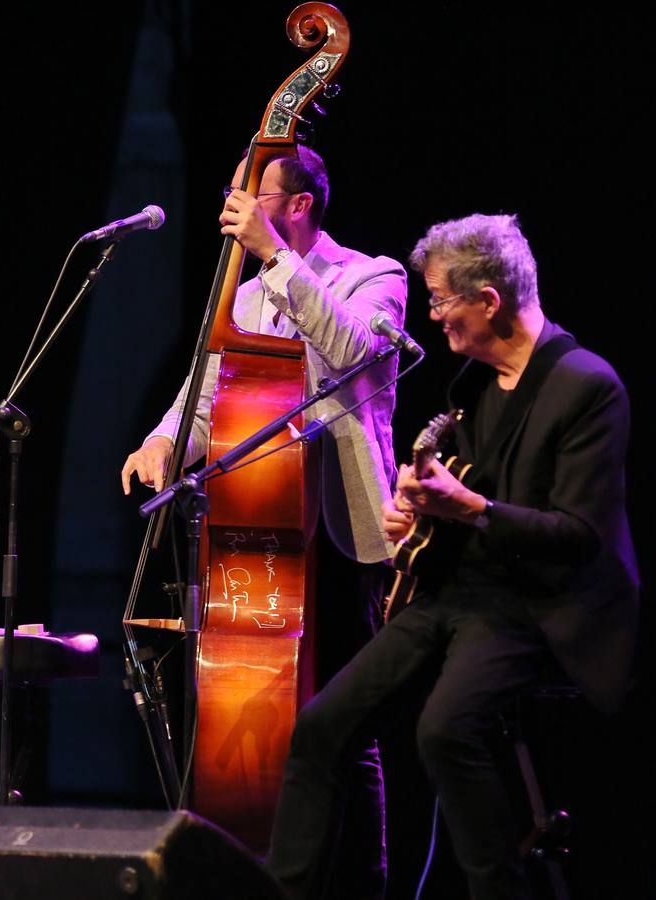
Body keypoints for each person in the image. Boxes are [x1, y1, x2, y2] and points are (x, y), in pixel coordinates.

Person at [266, 214, 638, 899]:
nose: (433, 316)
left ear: (489, 301)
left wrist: (466, 509)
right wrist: (414, 513)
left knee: (445, 730)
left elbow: (579, 535)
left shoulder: (587, 388)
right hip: (452, 596)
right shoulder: (471, 385)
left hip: (536, 607)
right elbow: (456, 497)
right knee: (322, 727)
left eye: (440, 300)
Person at [122, 146, 406, 898]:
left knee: (346, 730)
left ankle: (360, 886)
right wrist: (161, 441)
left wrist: (277, 258)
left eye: (253, 191)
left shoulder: (373, 276)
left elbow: (351, 353)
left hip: (342, 538)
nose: (234, 204)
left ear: (300, 203)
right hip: (262, 532)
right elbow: (208, 386)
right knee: (262, 723)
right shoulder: (246, 297)